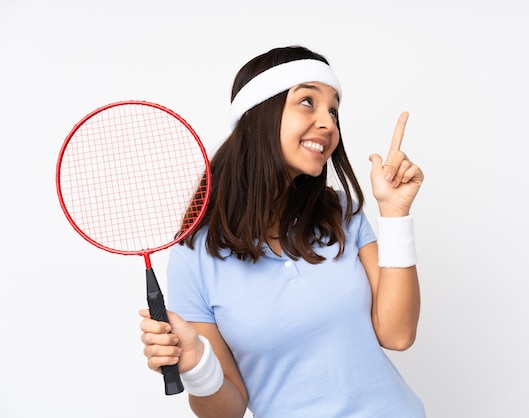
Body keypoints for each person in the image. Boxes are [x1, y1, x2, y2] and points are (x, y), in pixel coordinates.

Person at [139, 45, 426, 418]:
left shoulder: (340, 213)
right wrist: (196, 365)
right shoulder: (193, 259)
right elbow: (226, 411)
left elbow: (397, 334)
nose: (328, 123)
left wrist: (395, 213)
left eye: (334, 111)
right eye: (307, 101)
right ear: (259, 114)